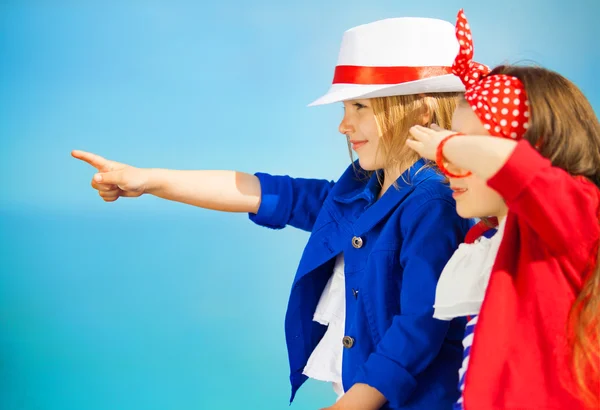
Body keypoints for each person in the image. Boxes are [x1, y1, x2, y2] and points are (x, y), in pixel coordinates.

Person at [73, 16, 474, 410]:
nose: (343, 125)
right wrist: (150, 180)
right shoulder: (358, 189)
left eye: (359, 106)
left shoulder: (433, 202)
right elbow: (265, 193)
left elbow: (420, 325)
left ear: (420, 110)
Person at [406, 9, 600, 410]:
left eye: (469, 145)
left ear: (538, 148)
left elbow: (515, 166)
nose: (449, 166)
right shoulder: (485, 239)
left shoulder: (577, 215)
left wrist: (444, 144)